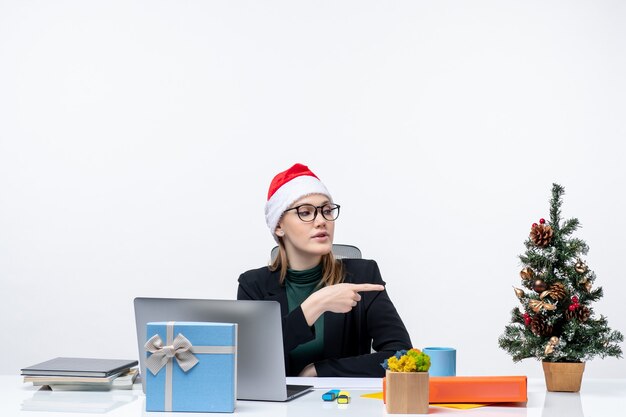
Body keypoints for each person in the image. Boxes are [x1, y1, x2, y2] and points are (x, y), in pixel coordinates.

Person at [237, 163, 412, 377]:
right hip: (278, 409)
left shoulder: (363, 275)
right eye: (305, 212)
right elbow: (250, 362)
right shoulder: (253, 285)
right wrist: (314, 306)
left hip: (342, 405)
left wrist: (320, 370)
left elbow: (401, 356)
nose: (321, 221)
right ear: (279, 226)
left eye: (327, 210)